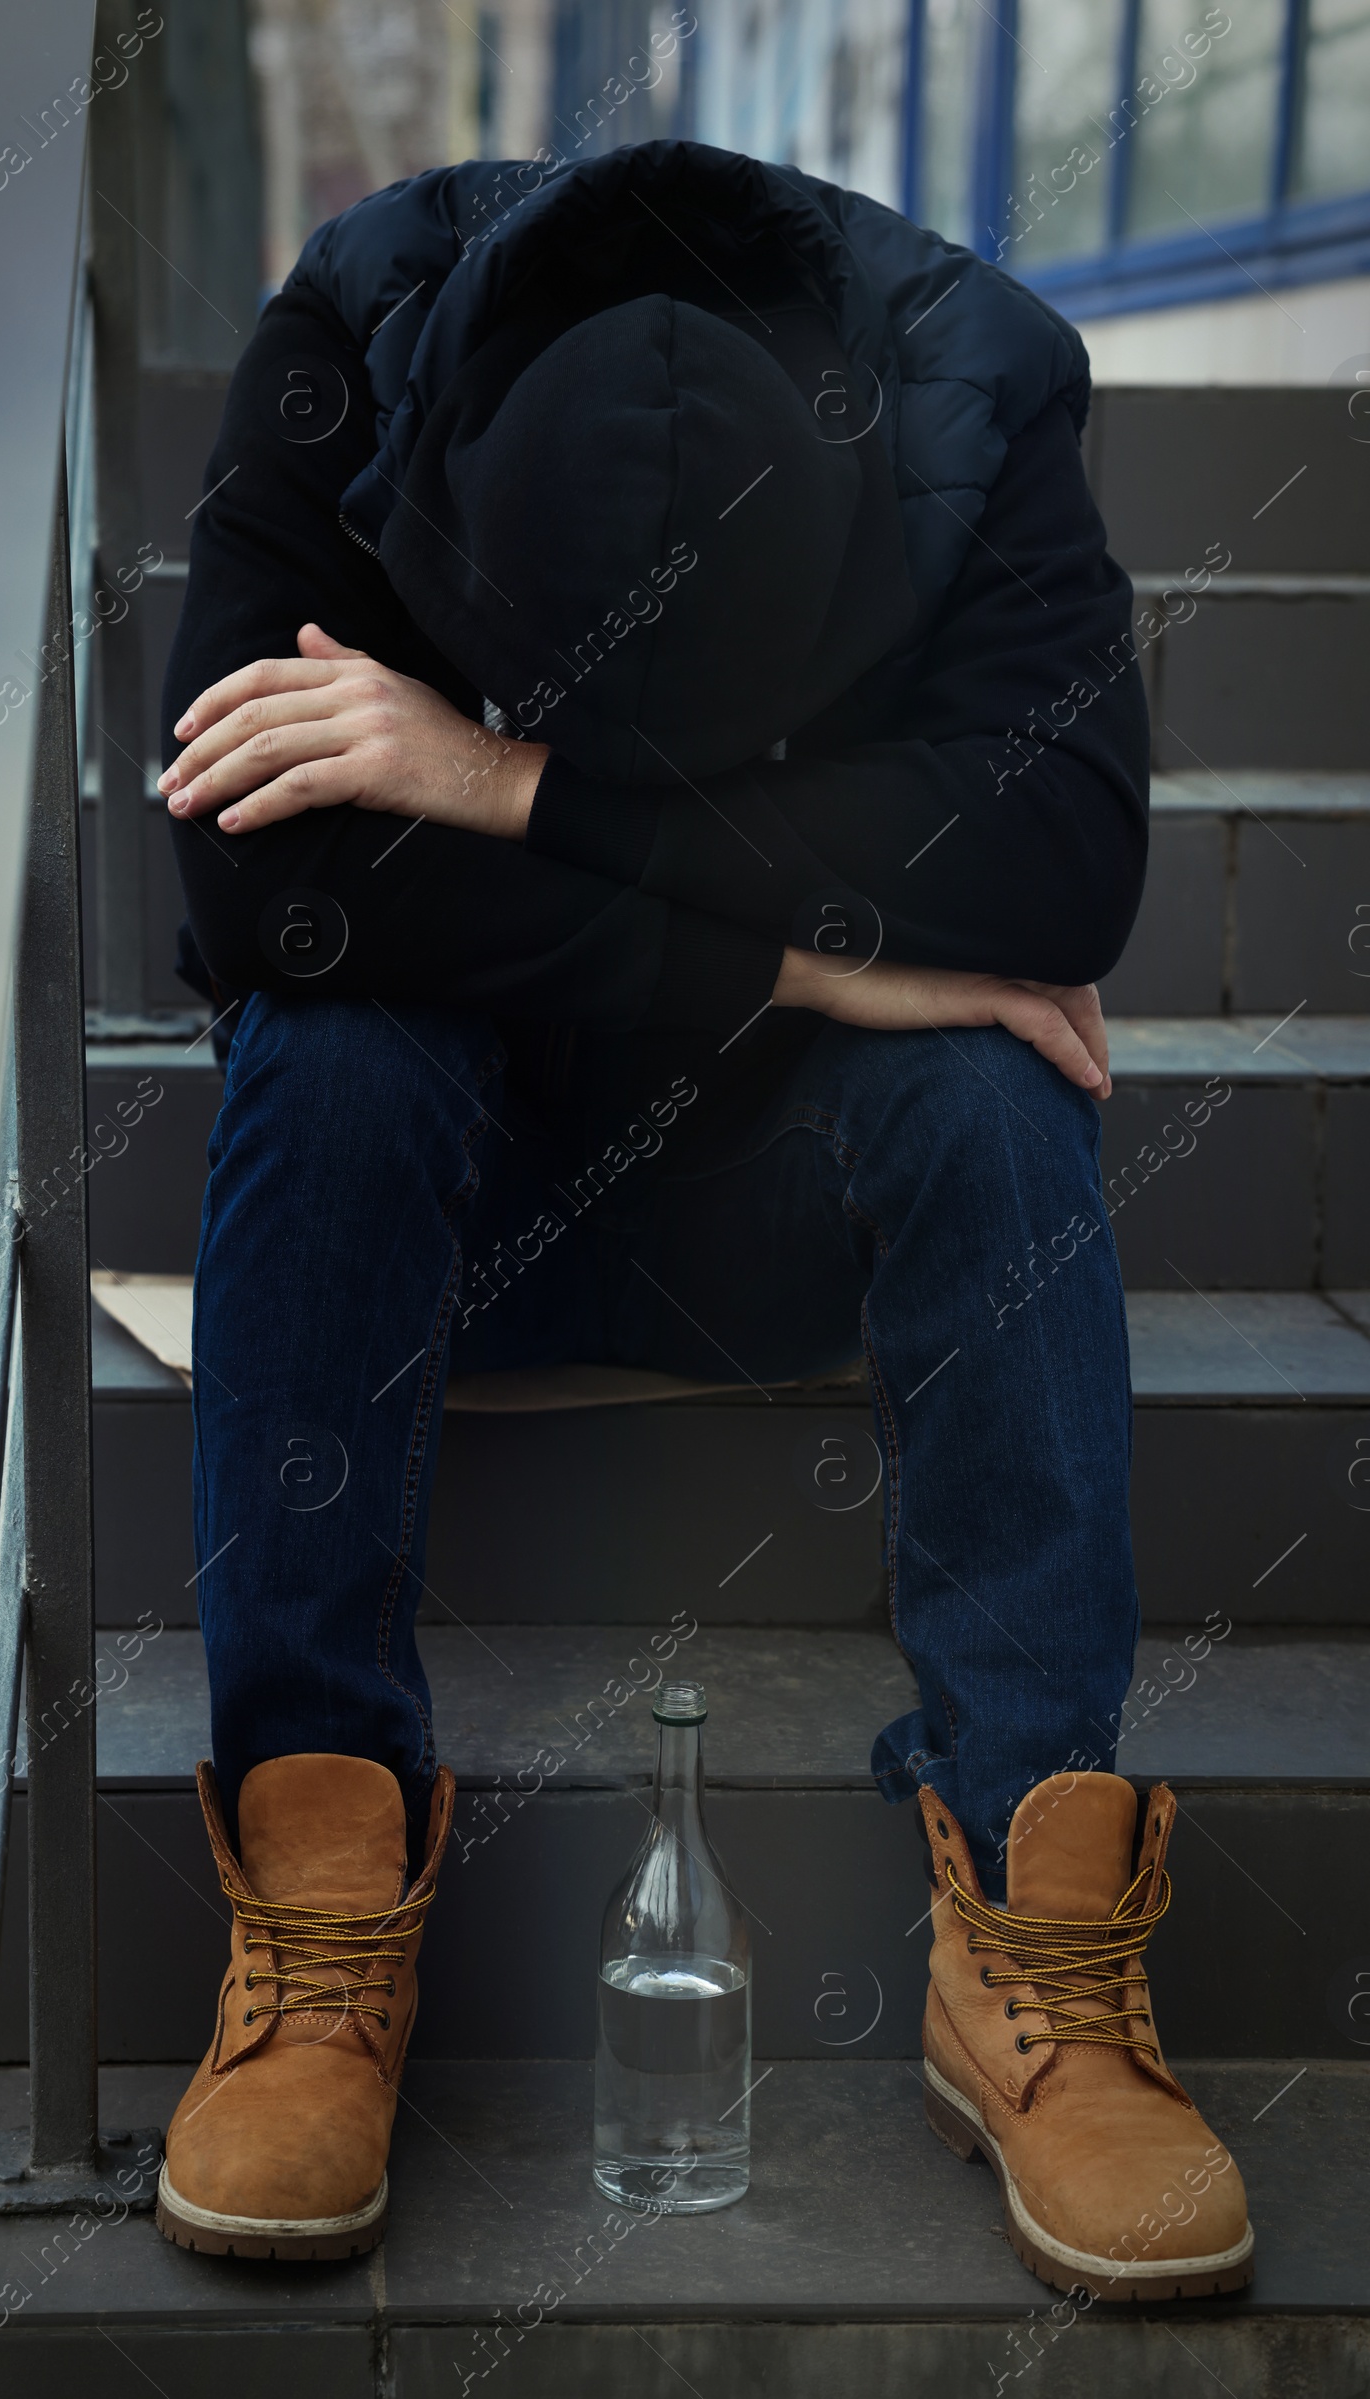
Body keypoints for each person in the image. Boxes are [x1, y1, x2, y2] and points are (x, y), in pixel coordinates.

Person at [147, 139, 1252, 2297]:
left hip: (787, 1196)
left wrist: (509, 784)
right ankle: (320, 1893)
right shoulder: (341, 356)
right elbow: (254, 884)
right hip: (445, 1185)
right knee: (330, 1038)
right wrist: (796, 939)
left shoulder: (976, 384)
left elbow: (1055, 876)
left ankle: (1021, 1929)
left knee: (983, 1068)